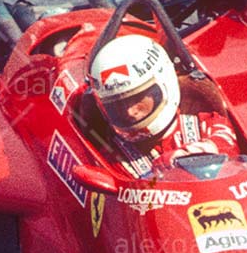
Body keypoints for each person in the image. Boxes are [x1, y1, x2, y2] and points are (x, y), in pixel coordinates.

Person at [88, 34, 239, 177]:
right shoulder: (113, 157)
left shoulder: (207, 123)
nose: (129, 111)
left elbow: (226, 146)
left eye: (136, 98)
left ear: (165, 84)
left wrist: (182, 158)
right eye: (117, 105)